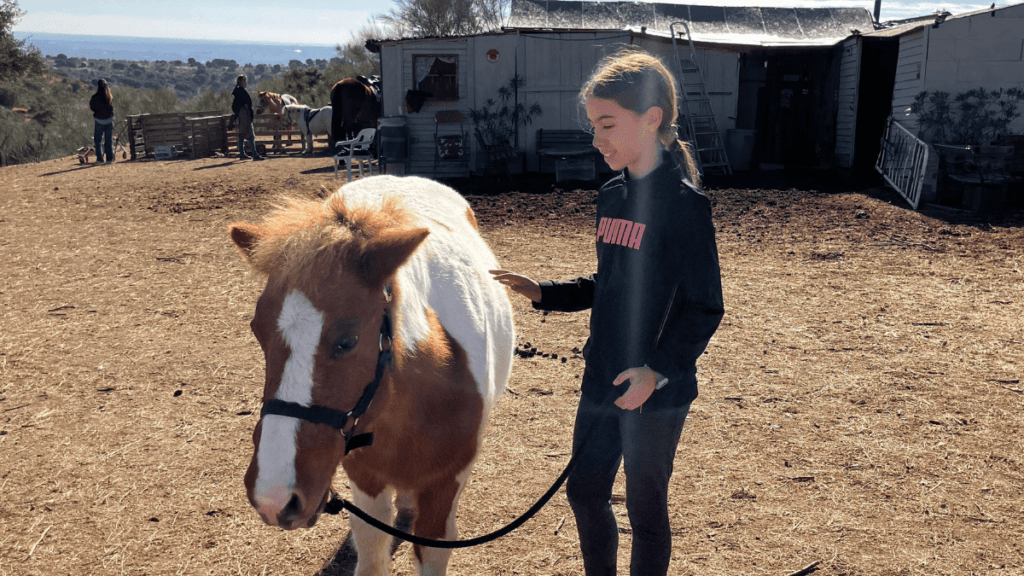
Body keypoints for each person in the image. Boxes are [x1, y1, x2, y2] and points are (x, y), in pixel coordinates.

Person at [491, 48, 724, 576]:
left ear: (651, 118)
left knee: (645, 510)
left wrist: (656, 372)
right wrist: (544, 292)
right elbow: (611, 282)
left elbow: (705, 306)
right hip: (601, 375)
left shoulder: (685, 206)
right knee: (584, 491)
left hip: (653, 392)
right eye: (594, 125)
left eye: (608, 124)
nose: (597, 139)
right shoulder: (612, 195)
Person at [231, 74, 262, 160]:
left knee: (242, 135)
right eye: (245, 81)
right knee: (250, 135)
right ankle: (254, 154)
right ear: (242, 82)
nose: (246, 83)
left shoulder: (238, 92)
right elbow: (247, 104)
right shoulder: (242, 92)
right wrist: (246, 110)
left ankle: (242, 153)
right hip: (245, 116)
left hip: (242, 116)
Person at [89, 79, 115, 164]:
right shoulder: (109, 96)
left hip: (99, 120)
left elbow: (92, 108)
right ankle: (109, 159)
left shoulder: (95, 97)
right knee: (108, 140)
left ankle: (100, 159)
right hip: (109, 120)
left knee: (98, 140)